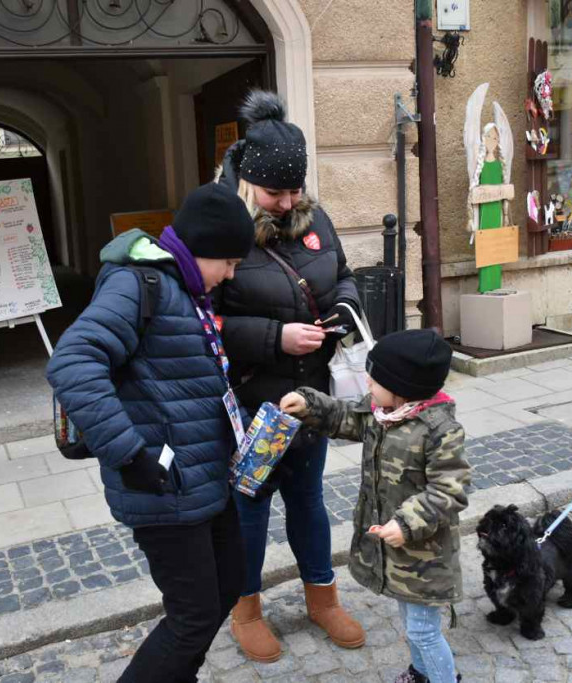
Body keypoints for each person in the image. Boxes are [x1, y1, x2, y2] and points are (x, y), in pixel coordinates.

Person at [47, 183, 255, 683]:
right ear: (200, 248)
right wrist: (130, 453)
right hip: (164, 485)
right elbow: (73, 362)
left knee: (229, 586)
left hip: (206, 477)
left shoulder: (185, 285)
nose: (230, 274)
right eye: (227, 262)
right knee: (193, 616)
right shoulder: (140, 284)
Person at [213, 89, 365, 662]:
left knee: (308, 500)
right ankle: (245, 608)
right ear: (248, 181)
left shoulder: (315, 218)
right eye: (275, 192)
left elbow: (344, 274)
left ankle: (322, 598)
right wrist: (274, 337)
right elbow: (203, 319)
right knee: (250, 506)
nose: (287, 201)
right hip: (255, 402)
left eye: (294, 190)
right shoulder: (221, 224)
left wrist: (343, 312)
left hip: (313, 397)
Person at [280, 329, 471, 683]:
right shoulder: (381, 412)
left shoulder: (439, 430)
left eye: (376, 376)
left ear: (404, 387)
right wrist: (309, 405)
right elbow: (342, 416)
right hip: (393, 552)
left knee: (423, 632)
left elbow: (450, 489)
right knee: (409, 622)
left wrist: (408, 523)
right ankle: (420, 673)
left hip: (425, 556)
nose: (367, 380)